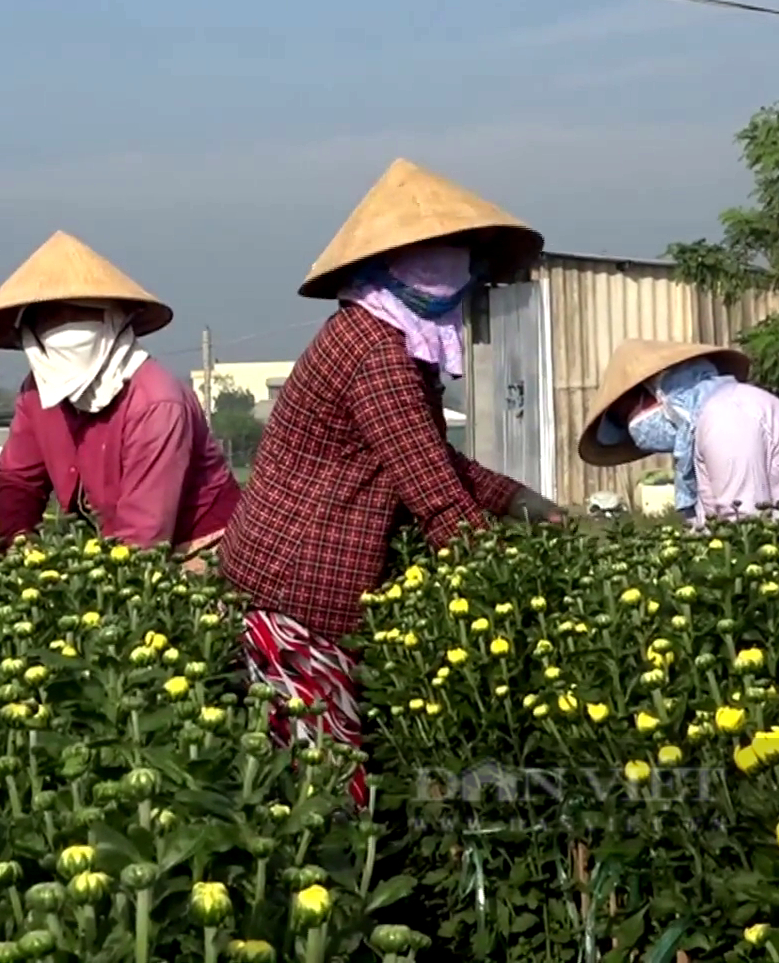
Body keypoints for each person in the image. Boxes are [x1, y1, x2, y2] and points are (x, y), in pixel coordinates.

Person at [221, 158, 564, 806]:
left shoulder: (382, 340)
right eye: (443, 257)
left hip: (292, 585)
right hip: (294, 593)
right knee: (326, 789)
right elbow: (432, 490)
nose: (458, 270)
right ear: (403, 269)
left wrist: (522, 502)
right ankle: (335, 896)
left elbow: (426, 455)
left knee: (316, 770)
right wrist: (499, 591)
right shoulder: (375, 351)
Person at [0, 230, 238, 570]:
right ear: (32, 331)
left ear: (114, 319)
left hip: (198, 547)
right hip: (110, 543)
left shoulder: (156, 401)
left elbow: (146, 530)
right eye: (51, 319)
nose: (66, 329)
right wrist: (19, 541)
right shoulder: (36, 393)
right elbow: (18, 478)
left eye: (81, 315)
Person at [579, 339, 779, 524]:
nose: (632, 426)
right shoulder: (708, 423)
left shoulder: (725, 417)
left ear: (661, 393)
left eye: (629, 413)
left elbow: (745, 521)